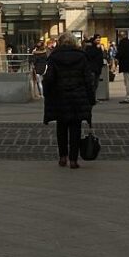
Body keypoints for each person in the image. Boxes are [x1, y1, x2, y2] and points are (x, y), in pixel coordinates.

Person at [42, 33, 95, 169]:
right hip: (77, 97)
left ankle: (62, 157)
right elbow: (88, 79)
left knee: (61, 128)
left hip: (60, 96)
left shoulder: (54, 57)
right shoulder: (81, 56)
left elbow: (49, 78)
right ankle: (73, 160)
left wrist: (47, 93)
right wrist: (91, 98)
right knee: (75, 128)